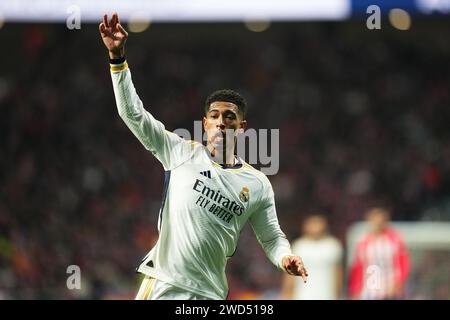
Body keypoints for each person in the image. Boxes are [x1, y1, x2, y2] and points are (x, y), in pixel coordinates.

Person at [99, 13, 308, 300]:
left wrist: (286, 258)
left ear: (241, 127)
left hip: (211, 294)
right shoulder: (179, 152)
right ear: (205, 123)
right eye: (215, 116)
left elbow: (272, 238)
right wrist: (117, 58)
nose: (222, 122)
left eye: (230, 117)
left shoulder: (257, 184)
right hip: (164, 285)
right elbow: (132, 114)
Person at [348, 207, 410, 300]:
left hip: (390, 290)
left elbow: (403, 264)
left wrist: (398, 284)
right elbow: (357, 268)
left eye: (380, 220)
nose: (378, 223)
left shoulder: (394, 239)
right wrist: (355, 290)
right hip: (369, 292)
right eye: (375, 220)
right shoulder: (363, 242)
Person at [280, 214, 343, 300]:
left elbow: (338, 274)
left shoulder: (333, 246)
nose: (315, 226)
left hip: (327, 295)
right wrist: (286, 294)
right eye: (312, 223)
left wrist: (338, 294)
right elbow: (290, 274)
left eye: (317, 222)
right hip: (302, 296)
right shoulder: (299, 246)